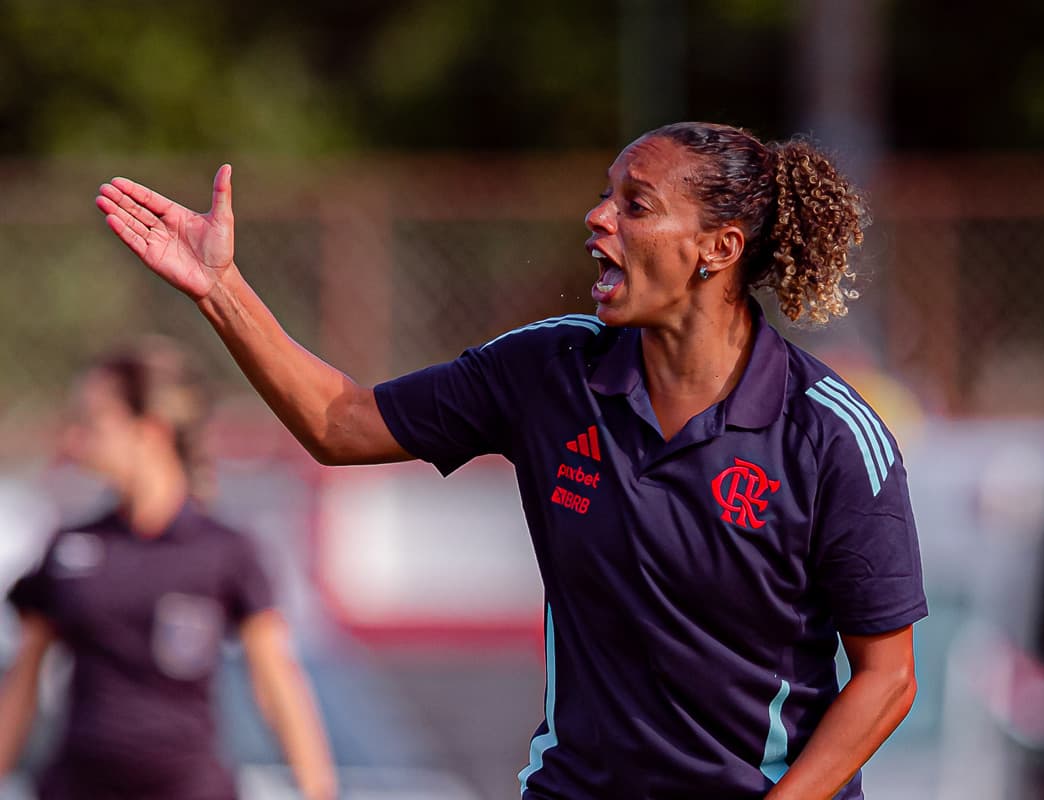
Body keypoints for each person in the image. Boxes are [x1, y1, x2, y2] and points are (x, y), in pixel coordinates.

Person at [95, 121, 926, 800]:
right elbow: (339, 423)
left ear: (717, 249)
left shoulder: (829, 436)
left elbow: (886, 678)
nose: (599, 218)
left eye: (635, 205)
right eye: (606, 194)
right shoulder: (548, 371)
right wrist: (221, 288)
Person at [0, 339, 338, 800]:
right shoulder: (70, 547)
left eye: (94, 421)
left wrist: (318, 791)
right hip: (78, 786)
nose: (77, 438)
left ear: (150, 430)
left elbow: (277, 682)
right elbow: (21, 685)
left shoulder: (225, 551)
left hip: (188, 788)